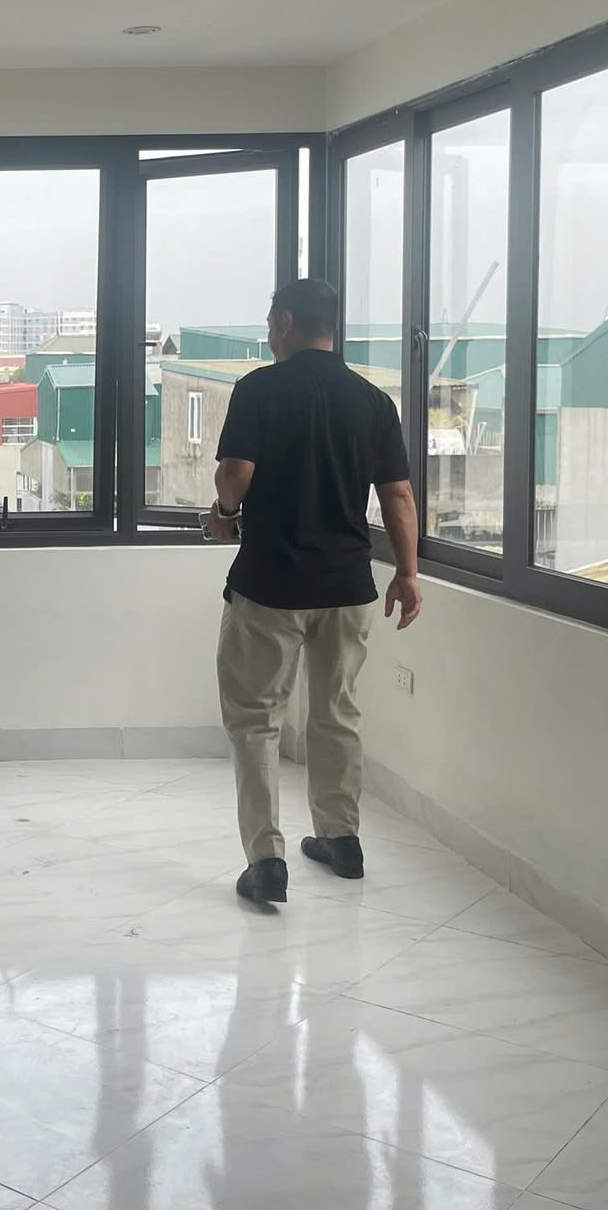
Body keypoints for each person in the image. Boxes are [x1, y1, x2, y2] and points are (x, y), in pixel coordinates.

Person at [202, 278, 421, 907]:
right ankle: (341, 839)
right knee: (336, 712)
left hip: (270, 585)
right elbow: (398, 495)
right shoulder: (373, 401)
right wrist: (407, 574)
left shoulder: (259, 389)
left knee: (255, 721)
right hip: (349, 588)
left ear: (286, 322)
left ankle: (266, 861)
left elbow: (235, 474)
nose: (269, 332)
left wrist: (223, 515)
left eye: (270, 321)